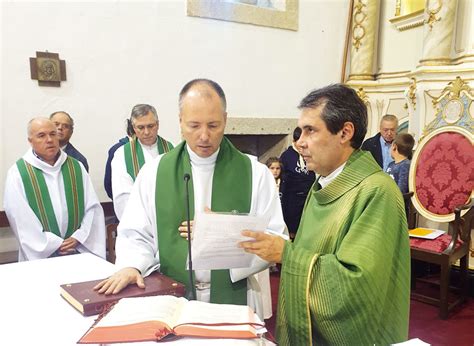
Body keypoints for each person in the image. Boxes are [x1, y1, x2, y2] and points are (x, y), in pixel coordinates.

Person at [94, 79, 285, 319]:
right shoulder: (154, 173)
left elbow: (275, 237)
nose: (204, 136)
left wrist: (220, 233)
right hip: (169, 294)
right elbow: (135, 233)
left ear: (225, 120)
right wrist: (132, 264)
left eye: (213, 125)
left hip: (236, 294)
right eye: (194, 125)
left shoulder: (255, 173)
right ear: (180, 122)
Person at [239, 84, 410, 345]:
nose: (299, 142)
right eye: (300, 131)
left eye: (310, 130)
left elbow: (358, 284)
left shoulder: (377, 192)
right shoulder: (322, 184)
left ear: (345, 132)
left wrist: (286, 254)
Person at [3, 117, 106, 261]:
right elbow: (20, 218)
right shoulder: (19, 173)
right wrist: (53, 244)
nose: (49, 139)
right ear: (30, 141)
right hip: (41, 257)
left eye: (53, 134)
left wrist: (79, 237)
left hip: (78, 250)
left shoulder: (76, 167)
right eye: (41, 135)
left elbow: (92, 208)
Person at [111, 104, 174, 220]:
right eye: (141, 127)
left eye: (151, 126)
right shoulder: (122, 155)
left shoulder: (173, 150)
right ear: (133, 127)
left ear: (158, 124)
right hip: (139, 222)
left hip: (170, 218)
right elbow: (123, 196)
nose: (146, 132)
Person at [279, 127, 315, 238]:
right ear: (294, 141)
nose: (303, 147)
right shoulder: (286, 156)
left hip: (307, 196)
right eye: (301, 144)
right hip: (292, 199)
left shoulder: (310, 154)